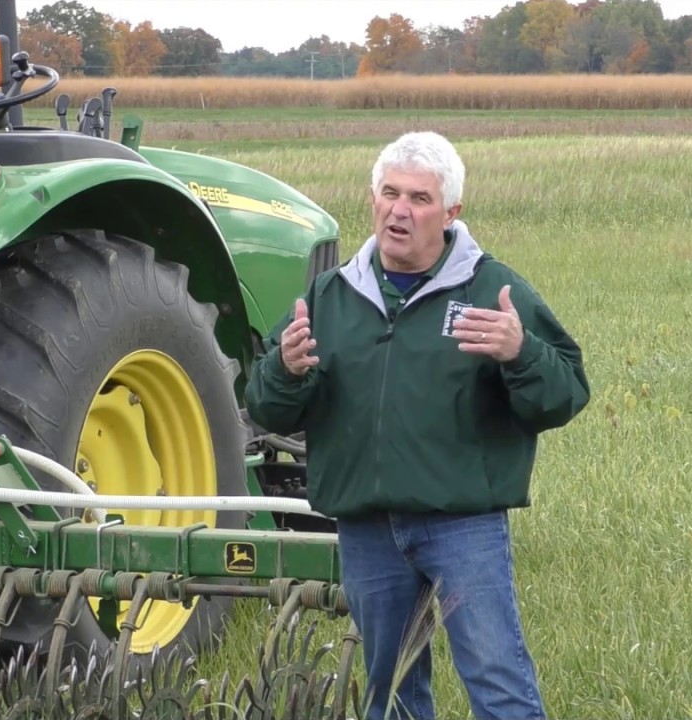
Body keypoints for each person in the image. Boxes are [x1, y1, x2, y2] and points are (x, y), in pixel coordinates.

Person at [243, 131, 590, 720]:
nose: (399, 210)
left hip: (462, 524)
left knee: (498, 681)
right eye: (390, 193)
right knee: (392, 689)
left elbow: (565, 395)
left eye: (419, 198)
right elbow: (267, 408)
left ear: (451, 212)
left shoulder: (490, 289)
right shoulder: (332, 295)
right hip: (368, 528)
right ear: (373, 199)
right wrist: (285, 369)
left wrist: (521, 353)